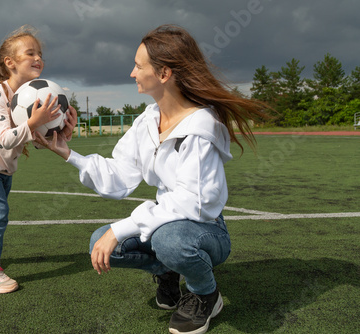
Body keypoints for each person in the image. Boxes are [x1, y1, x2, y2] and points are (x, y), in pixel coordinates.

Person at [35, 24, 267, 334]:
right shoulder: (148, 120)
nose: (132, 73)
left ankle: (206, 295)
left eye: (138, 65)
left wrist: (122, 228)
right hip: (167, 221)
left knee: (168, 240)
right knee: (101, 243)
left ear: (163, 74)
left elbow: (193, 202)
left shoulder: (201, 126)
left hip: (206, 231)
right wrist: (67, 152)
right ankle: (169, 272)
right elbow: (119, 175)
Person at [0, 25, 77, 293]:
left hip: (6, 163)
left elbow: (36, 139)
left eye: (39, 53)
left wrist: (64, 131)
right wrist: (33, 121)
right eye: (30, 53)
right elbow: (5, 138)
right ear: (10, 63)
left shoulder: (33, 96)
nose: (38, 58)